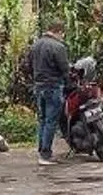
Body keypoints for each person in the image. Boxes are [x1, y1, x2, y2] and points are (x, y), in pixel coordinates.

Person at [24, 19, 71, 164]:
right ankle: (45, 154)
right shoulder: (58, 46)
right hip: (53, 86)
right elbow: (64, 69)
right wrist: (69, 83)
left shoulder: (36, 45)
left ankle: (42, 150)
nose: (62, 37)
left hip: (39, 86)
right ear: (58, 31)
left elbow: (28, 65)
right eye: (62, 34)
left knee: (43, 120)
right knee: (51, 120)